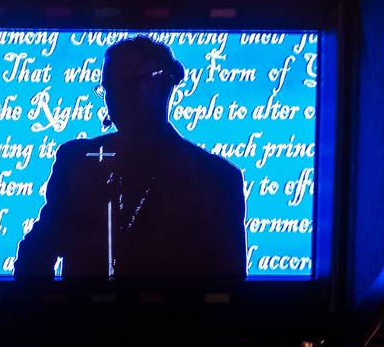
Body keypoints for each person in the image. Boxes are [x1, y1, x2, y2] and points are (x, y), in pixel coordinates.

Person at [14, 36, 247, 279]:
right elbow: (36, 252)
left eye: (124, 84)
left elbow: (228, 282)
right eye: (109, 87)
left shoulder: (217, 180)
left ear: (163, 86)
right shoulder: (77, 160)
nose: (113, 98)